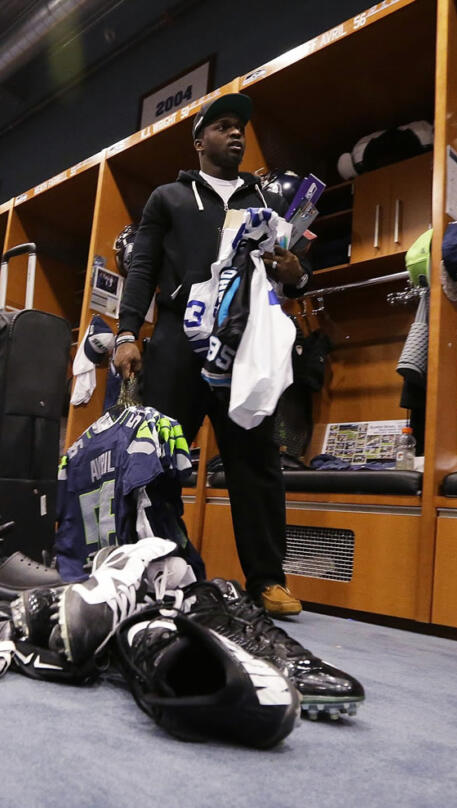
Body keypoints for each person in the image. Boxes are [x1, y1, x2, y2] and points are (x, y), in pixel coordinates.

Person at [113, 93, 307, 616]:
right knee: (156, 462)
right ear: (200, 140)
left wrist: (295, 275)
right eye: (223, 126)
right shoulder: (167, 199)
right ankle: (158, 569)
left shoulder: (261, 204)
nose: (237, 134)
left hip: (240, 347)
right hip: (178, 343)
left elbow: (285, 275)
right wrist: (127, 333)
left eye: (241, 127)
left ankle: (267, 581)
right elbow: (143, 269)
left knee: (256, 464)